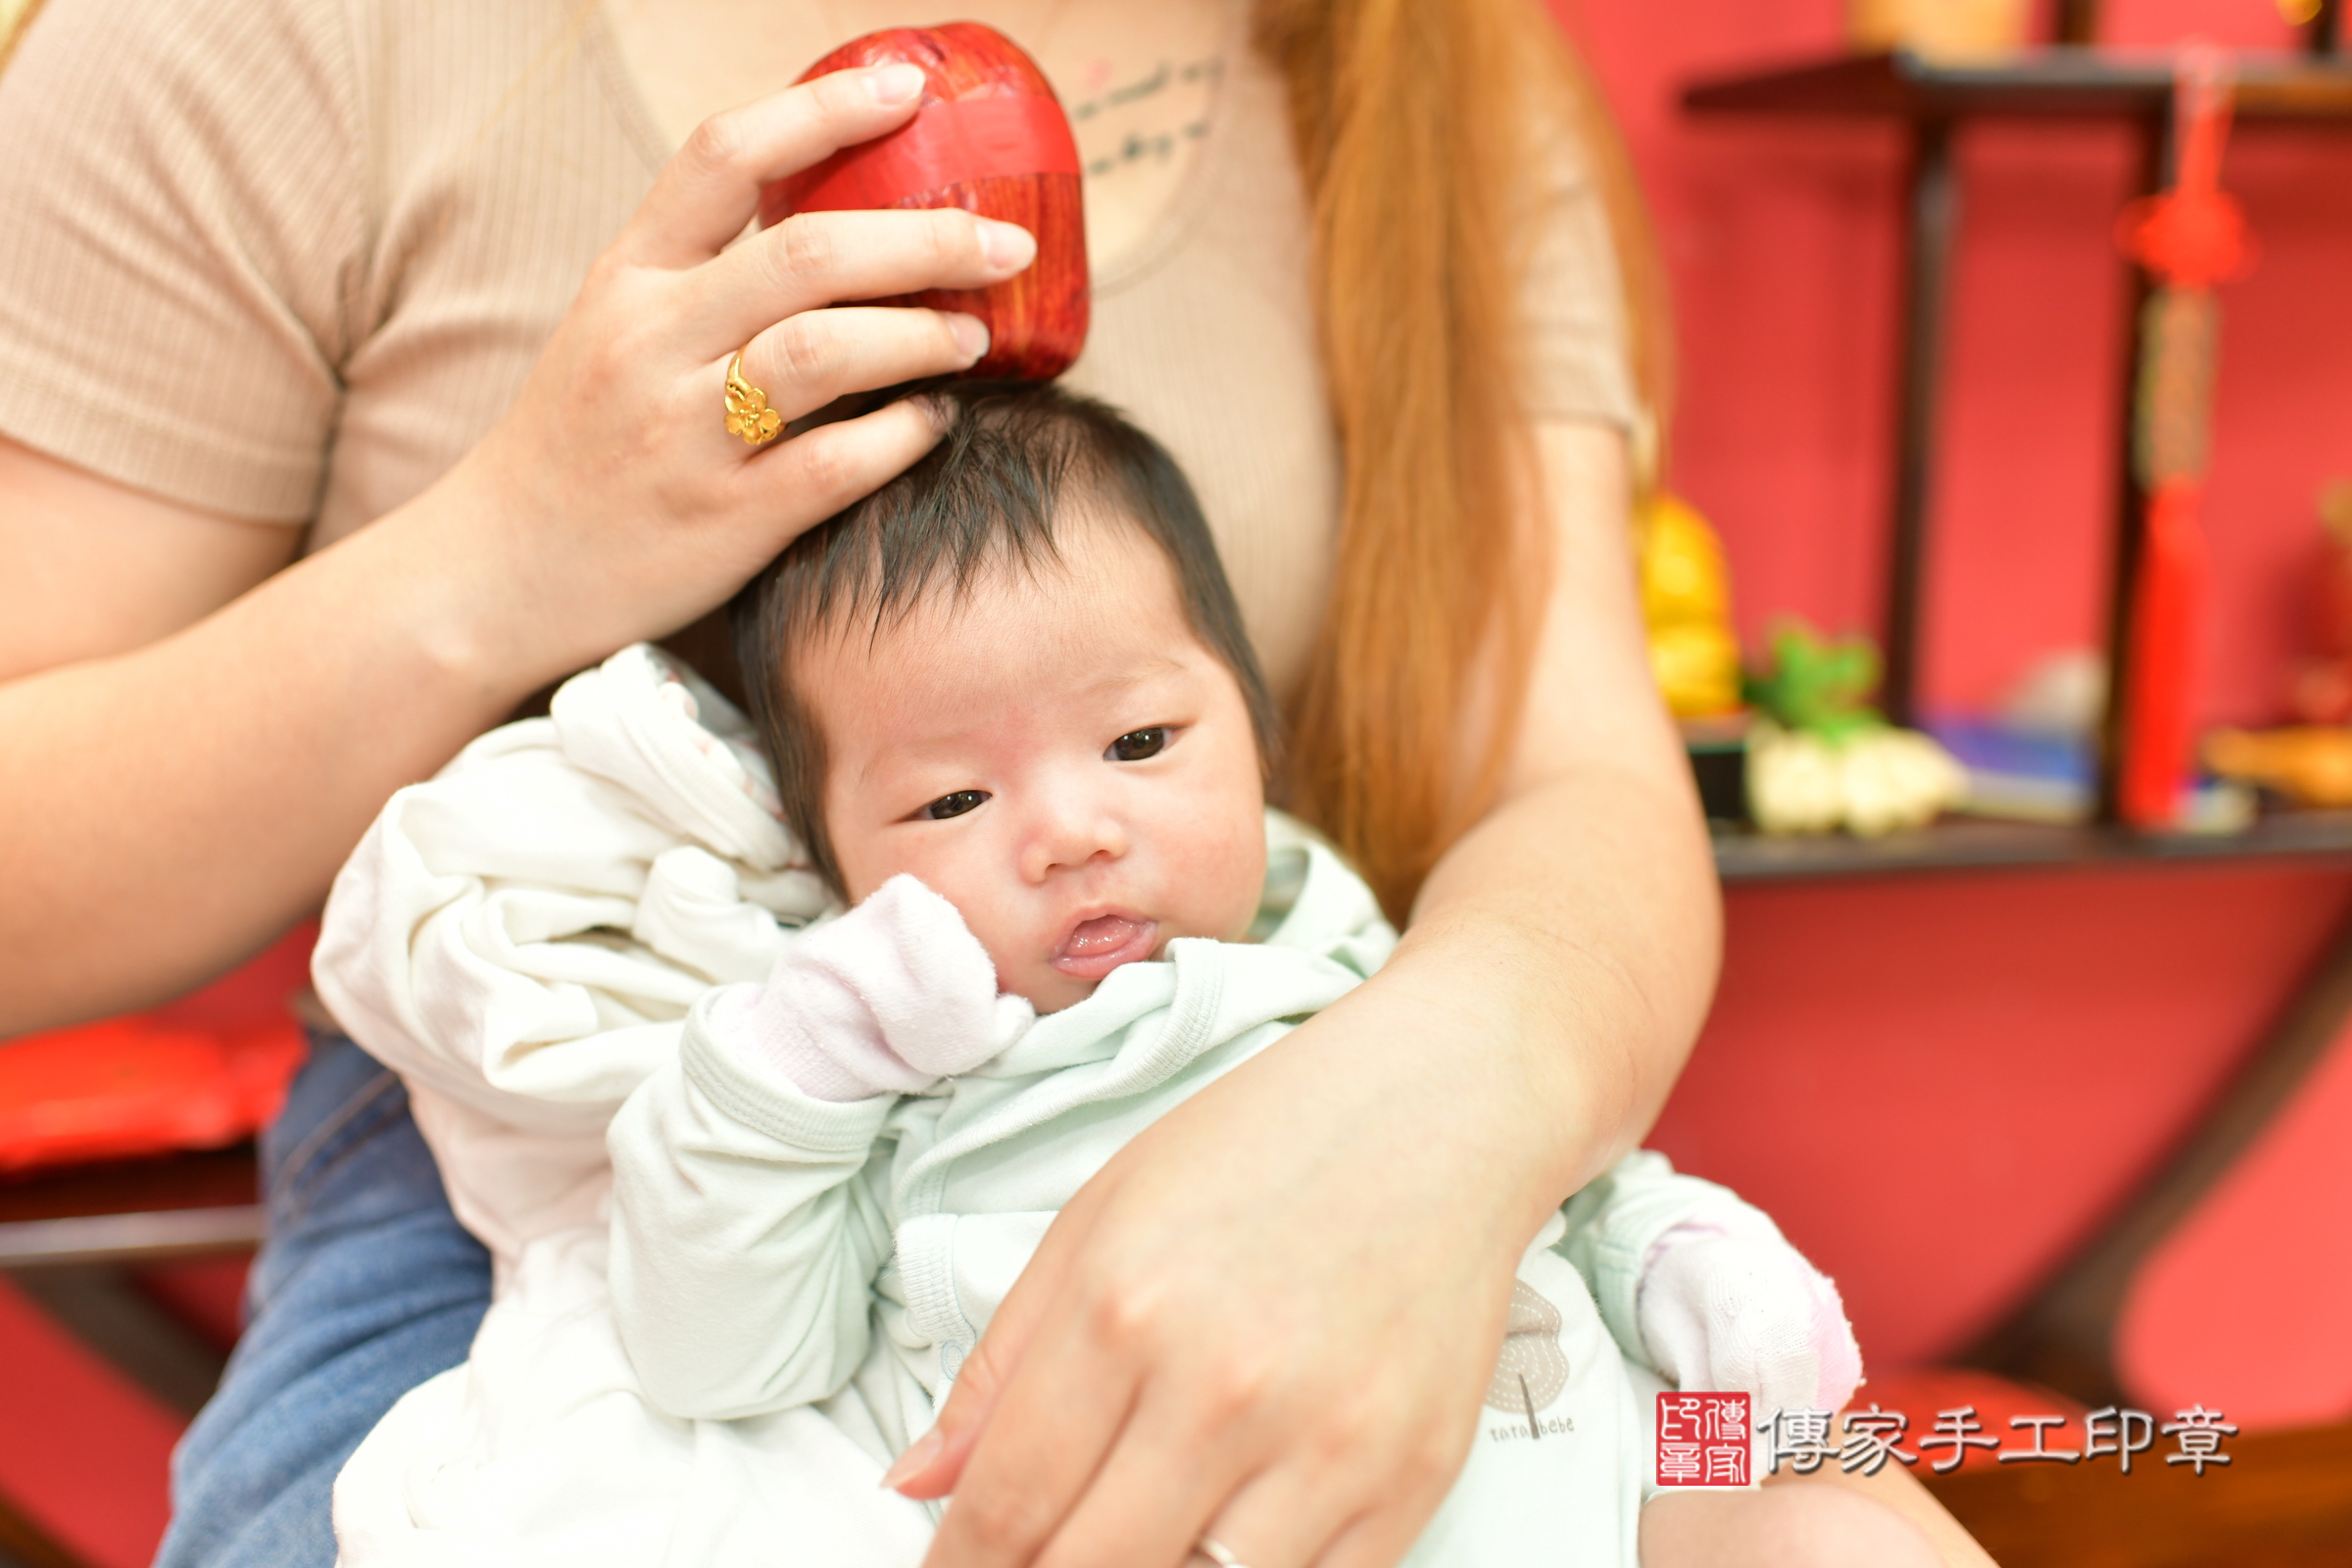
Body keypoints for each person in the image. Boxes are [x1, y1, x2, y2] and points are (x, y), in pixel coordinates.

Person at [0, 0, 1997, 1563]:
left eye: (1138, 738)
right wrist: (500, 555)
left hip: (1345, 1060)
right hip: (552, 1193)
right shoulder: (265, 34)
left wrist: (1434, 1117)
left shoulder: (1439, 84)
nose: (1059, 812)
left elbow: (1571, 773)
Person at [311, 382, 1923, 1568]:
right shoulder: (908, 1088)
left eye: (1143, 741)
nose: (1073, 830)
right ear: (830, 864)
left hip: (1584, 1482)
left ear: (1253, 734)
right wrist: (789, 1072)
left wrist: (1682, 1253)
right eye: (952, 801)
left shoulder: (1356, 964)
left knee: (1845, 1528)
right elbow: (723, 1360)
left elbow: (1541, 1172)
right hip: (1181, 1520)